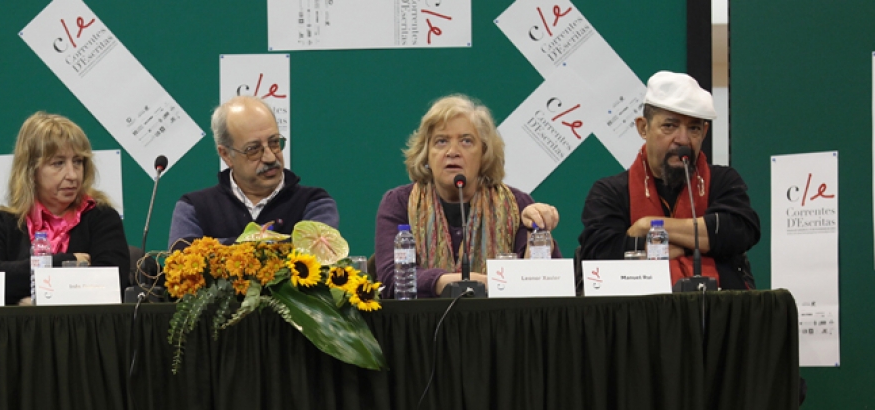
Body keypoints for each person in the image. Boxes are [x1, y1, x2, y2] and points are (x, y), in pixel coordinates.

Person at [577, 71, 759, 290]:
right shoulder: (609, 192)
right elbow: (601, 254)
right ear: (643, 128)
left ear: (704, 131)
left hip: (718, 314)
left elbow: (737, 231)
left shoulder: (722, 180)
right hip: (637, 317)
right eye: (669, 126)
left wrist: (647, 227)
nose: (682, 140)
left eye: (693, 128)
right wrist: (693, 242)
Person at [374, 94, 561, 298]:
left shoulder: (517, 205)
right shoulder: (400, 203)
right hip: (423, 326)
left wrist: (537, 232)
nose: (452, 151)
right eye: (441, 141)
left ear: (484, 154)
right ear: (426, 153)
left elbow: (545, 285)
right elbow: (390, 279)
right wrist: (463, 282)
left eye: (466, 141)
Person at [0, 112, 130, 306]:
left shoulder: (101, 217)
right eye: (58, 163)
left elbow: (110, 283)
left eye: (78, 162)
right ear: (31, 170)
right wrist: (66, 262)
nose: (72, 175)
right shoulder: (2, 222)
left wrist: (29, 292)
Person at [168, 96, 338, 248]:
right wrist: (280, 244)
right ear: (226, 154)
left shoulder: (315, 202)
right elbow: (183, 257)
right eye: (253, 149)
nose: (270, 157)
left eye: (274, 142)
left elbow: (317, 250)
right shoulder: (194, 207)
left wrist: (220, 245)